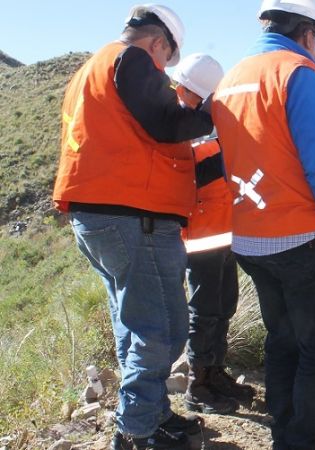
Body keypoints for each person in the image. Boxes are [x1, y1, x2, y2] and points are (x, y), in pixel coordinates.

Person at [52, 5, 212, 449]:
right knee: (162, 327)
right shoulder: (133, 58)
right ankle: (138, 432)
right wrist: (214, 113)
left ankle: (151, 415)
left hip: (98, 215)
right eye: (166, 61)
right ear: (157, 43)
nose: (163, 71)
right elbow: (166, 123)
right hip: (133, 217)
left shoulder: (92, 68)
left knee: (135, 324)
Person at [211, 1, 315, 449]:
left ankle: (283, 430)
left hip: (250, 240)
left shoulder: (229, 80)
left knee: (283, 338)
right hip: (306, 239)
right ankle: (304, 441)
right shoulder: (299, 73)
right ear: (308, 32)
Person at [170, 53, 256, 416]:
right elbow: (193, 173)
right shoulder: (180, 125)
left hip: (225, 234)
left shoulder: (210, 123)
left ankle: (216, 372)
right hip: (202, 237)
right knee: (204, 310)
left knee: (223, 307)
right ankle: (198, 384)